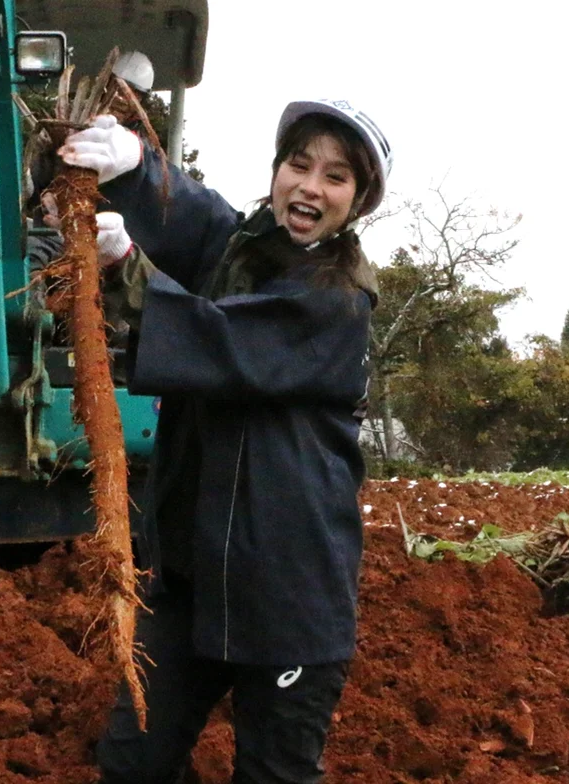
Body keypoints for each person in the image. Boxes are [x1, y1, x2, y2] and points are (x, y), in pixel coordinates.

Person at [56, 99, 393, 783]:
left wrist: (125, 265)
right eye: (299, 165)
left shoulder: (337, 302)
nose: (309, 186)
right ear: (276, 172)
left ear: (356, 204)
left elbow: (221, 340)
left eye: (335, 178)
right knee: (132, 763)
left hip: (288, 593)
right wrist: (135, 165)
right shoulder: (244, 249)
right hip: (191, 579)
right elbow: (205, 219)